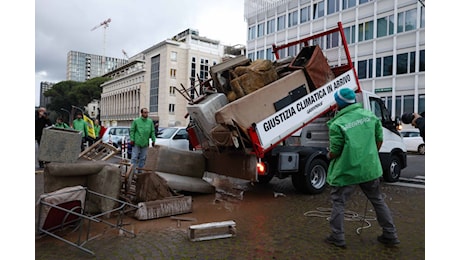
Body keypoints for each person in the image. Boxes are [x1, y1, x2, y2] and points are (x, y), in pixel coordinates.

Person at [325, 88, 399, 248]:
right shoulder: (371, 116)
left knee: (339, 202)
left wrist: (328, 155)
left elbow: (335, 151)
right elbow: (379, 140)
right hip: (369, 169)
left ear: (339, 103)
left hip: (347, 171)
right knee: (378, 201)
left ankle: (337, 237)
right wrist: (368, 156)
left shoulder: (338, 124)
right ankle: (390, 234)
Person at [130, 108, 156, 173]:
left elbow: (152, 131)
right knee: (134, 157)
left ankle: (140, 172)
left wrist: (153, 140)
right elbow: (132, 131)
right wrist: (132, 139)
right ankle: (132, 172)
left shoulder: (150, 122)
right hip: (136, 142)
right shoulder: (136, 121)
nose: (146, 114)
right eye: (145, 112)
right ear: (141, 113)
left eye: (147, 112)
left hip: (145, 143)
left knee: (143, 158)